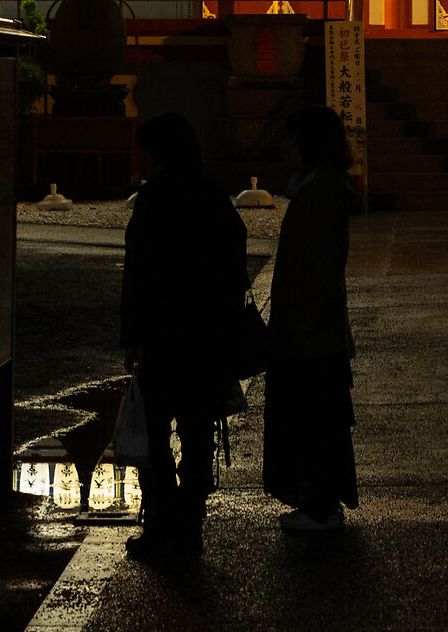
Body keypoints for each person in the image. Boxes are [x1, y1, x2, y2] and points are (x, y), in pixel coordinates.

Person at [120, 112, 248, 561]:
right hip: (205, 337)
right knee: (198, 433)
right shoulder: (211, 195)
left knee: (154, 435)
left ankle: (160, 523)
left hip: (161, 336)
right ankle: (190, 524)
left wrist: (132, 335)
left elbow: (137, 272)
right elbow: (235, 257)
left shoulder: (153, 198)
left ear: (158, 152)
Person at [263, 104, 359, 536]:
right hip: (316, 330)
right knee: (320, 420)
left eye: (289, 138)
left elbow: (313, 273)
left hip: (310, 333)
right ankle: (319, 502)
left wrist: (295, 328)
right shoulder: (322, 190)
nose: (283, 146)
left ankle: (320, 507)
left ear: (305, 144)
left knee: (313, 421)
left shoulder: (317, 196)